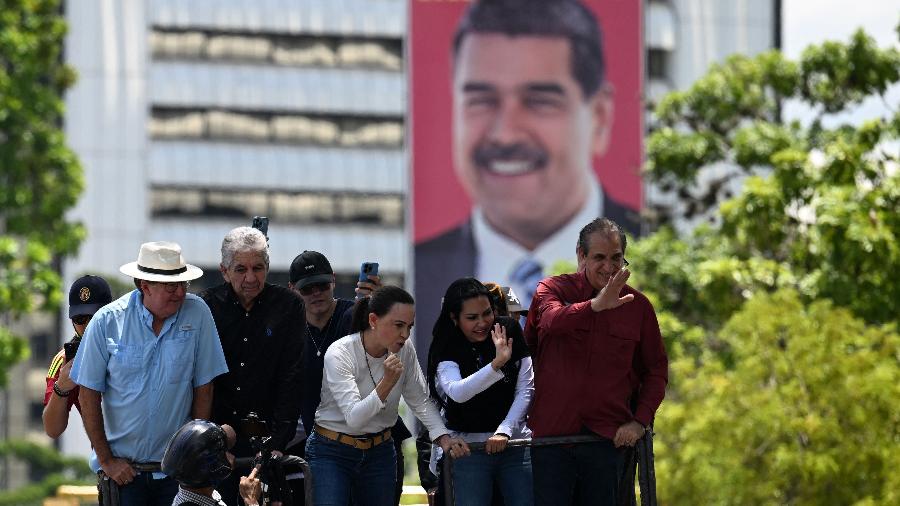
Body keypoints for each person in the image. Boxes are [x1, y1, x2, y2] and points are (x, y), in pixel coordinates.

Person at [415, 0, 641, 342]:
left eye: (539, 101)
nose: (505, 134)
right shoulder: (413, 273)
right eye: (482, 100)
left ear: (599, 117)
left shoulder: (658, 253)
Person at [71, 241, 228, 506]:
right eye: (171, 286)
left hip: (179, 475)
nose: (180, 292)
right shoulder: (106, 321)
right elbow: (88, 393)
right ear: (145, 286)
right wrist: (107, 460)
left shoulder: (198, 313)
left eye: (183, 284)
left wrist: (196, 457)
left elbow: (205, 386)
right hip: (125, 475)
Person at [524, 218, 668, 505]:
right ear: (581, 255)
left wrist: (640, 422)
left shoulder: (638, 306)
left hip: (608, 443)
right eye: (599, 257)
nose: (609, 267)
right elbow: (550, 322)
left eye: (616, 258)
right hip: (552, 442)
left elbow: (656, 371)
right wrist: (594, 307)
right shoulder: (551, 289)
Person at [305, 285, 470, 506]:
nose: (405, 334)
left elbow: (419, 399)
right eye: (398, 325)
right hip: (332, 450)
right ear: (373, 320)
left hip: (380, 449)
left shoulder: (405, 348)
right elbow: (354, 417)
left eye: (409, 326)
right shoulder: (340, 352)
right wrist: (387, 383)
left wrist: (443, 437)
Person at [283, 250, 411, 505]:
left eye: (321, 285)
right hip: (328, 448)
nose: (316, 293)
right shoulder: (289, 331)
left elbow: (393, 336)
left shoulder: (357, 316)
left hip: (379, 443)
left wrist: (380, 303)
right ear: (293, 289)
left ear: (333, 280)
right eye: (308, 288)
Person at [199, 227, 305, 506]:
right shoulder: (205, 306)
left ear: (268, 268)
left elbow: (291, 376)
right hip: (219, 439)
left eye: (258, 268)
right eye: (241, 269)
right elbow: (199, 380)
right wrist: (212, 444)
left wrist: (279, 444)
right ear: (224, 271)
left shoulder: (289, 305)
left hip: (271, 439)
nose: (250, 278)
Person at [426, 278, 534, 505]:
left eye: (487, 313)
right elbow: (457, 392)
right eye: (472, 318)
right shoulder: (447, 342)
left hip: (514, 443)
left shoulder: (509, 329)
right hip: (468, 448)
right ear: (454, 318)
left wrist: (505, 430)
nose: (483, 323)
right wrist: (496, 364)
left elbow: (526, 388)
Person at [43, 275, 113, 439]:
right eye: (80, 318)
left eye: (95, 316)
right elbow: (52, 430)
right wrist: (62, 386)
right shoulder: (64, 360)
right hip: (106, 458)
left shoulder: (132, 342)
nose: (88, 325)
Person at [161, 419, 262, 506]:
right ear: (212, 467)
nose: (231, 456)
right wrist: (251, 500)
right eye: (224, 451)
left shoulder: (202, 495)